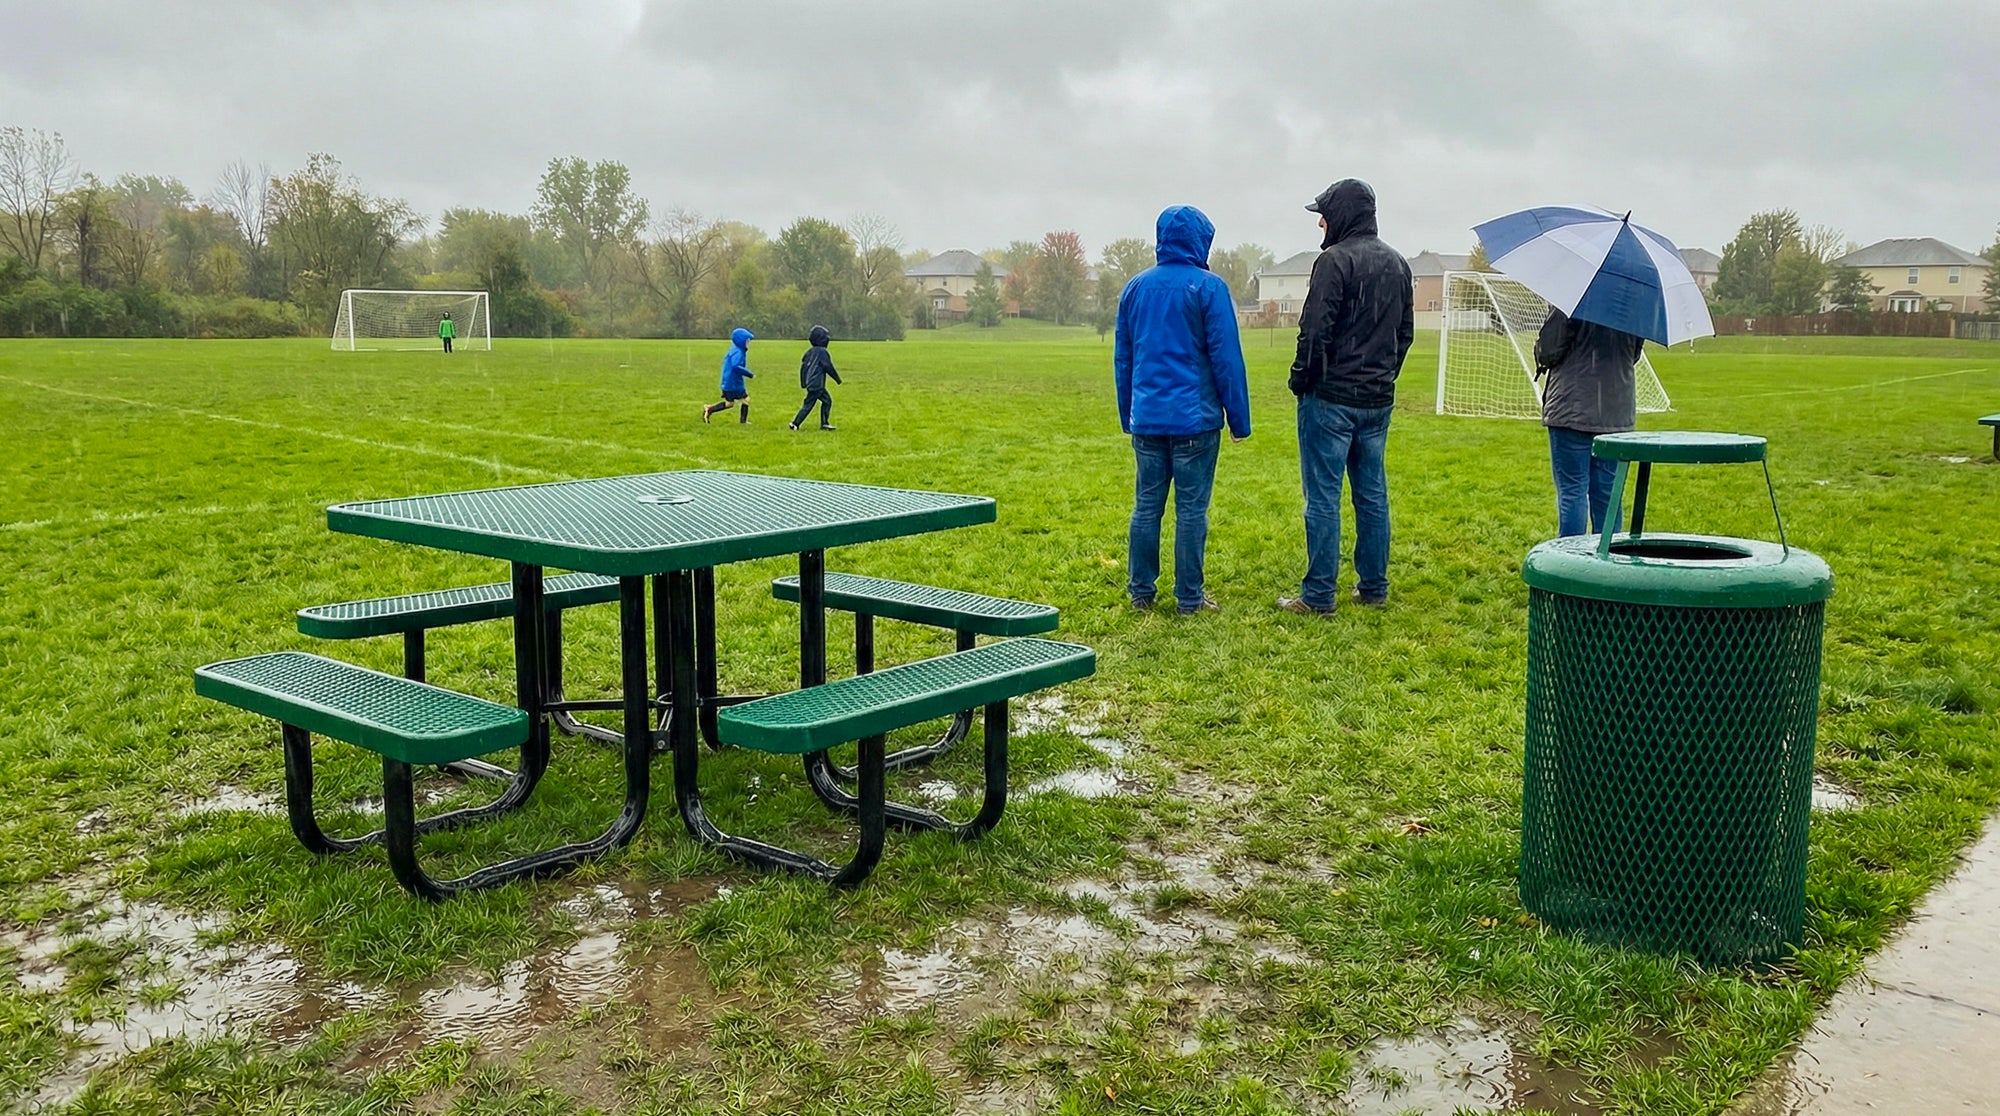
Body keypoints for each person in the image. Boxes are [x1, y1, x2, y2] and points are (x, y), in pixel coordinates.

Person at [1278, 178, 1413, 616]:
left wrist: (1302, 379)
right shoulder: (1398, 264)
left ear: (1342, 215)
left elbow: (1314, 328)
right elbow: (1404, 334)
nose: (1320, 221)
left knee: (1322, 497)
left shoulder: (1333, 262)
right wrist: (1384, 376)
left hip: (1330, 399)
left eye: (1325, 213)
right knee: (1372, 495)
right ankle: (1373, 586)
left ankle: (1318, 595)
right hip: (1377, 401)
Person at [1113, 204, 1251, 615]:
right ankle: (1189, 597)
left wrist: (1129, 413)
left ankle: (1141, 591)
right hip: (1196, 421)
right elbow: (1227, 358)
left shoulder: (1135, 289)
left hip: (1148, 419)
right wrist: (1239, 419)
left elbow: (1124, 357)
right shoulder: (1209, 288)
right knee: (1191, 509)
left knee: (1146, 505)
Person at [1533, 308, 1644, 536]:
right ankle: (1608, 559)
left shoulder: (1572, 300)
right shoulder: (1635, 306)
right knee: (1608, 495)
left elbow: (1549, 351)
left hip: (1571, 408)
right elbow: (1633, 355)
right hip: (1616, 412)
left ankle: (1572, 561)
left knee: (1572, 490)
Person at [789, 325, 842, 431]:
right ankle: (795, 423)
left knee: (826, 401)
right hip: (817, 385)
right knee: (810, 404)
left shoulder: (809, 352)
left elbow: (803, 368)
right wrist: (837, 379)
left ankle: (824, 423)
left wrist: (803, 382)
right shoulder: (822, 353)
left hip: (812, 384)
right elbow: (828, 367)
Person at [702, 327, 755, 424]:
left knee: (729, 403)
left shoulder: (735, 349)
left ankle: (709, 409)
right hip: (733, 383)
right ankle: (743, 422)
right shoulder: (738, 352)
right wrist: (749, 374)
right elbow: (736, 366)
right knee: (745, 399)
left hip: (728, 382)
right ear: (741, 341)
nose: (749, 343)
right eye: (747, 341)